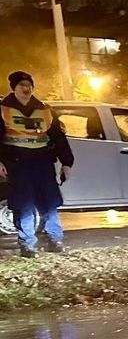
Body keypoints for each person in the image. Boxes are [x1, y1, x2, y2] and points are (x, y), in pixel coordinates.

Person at [0, 71, 72, 257]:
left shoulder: (45, 110)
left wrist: (66, 162)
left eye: (29, 84)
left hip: (42, 163)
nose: (26, 88)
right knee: (24, 204)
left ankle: (54, 239)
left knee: (49, 203)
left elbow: (58, 138)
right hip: (17, 164)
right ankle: (27, 244)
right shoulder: (3, 110)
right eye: (22, 85)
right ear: (14, 88)